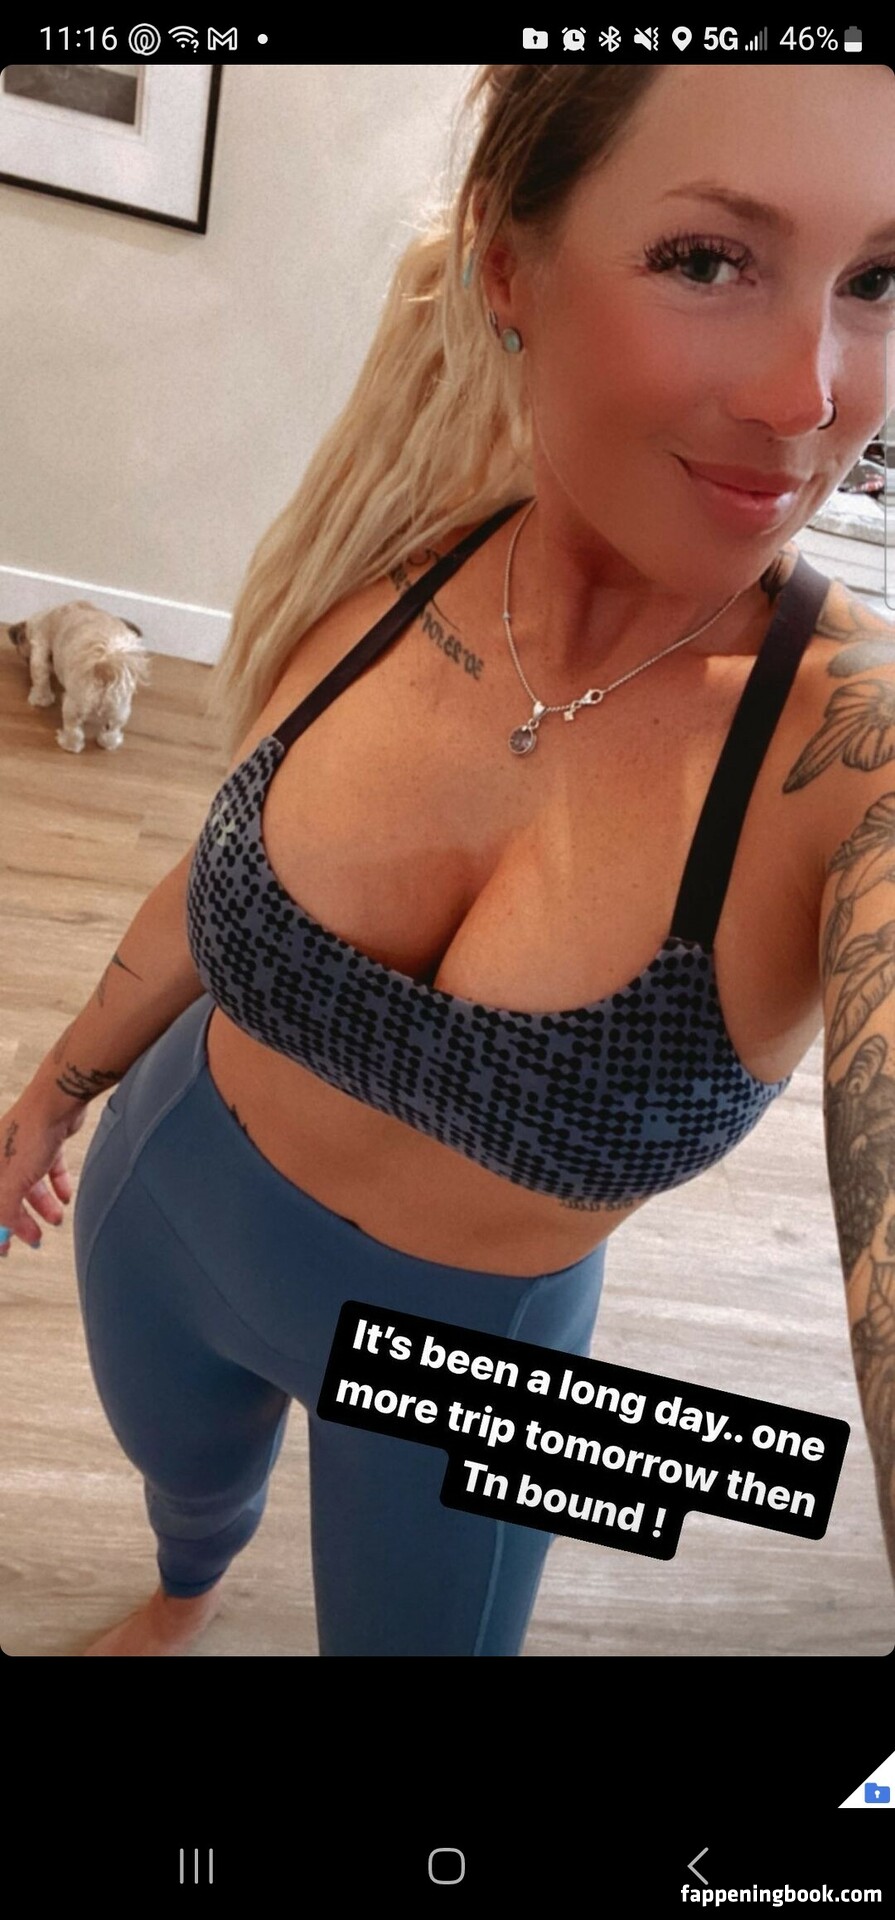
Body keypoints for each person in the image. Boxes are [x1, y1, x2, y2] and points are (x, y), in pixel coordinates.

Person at [2, 61, 895, 1656]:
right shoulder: (390, 556)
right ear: (507, 266)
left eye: (881, 282)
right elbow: (216, 876)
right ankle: (186, 1595)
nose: (807, 394)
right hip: (164, 1199)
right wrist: (58, 1087)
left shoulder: (856, 748)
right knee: (184, 1494)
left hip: (477, 1373)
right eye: (709, 260)